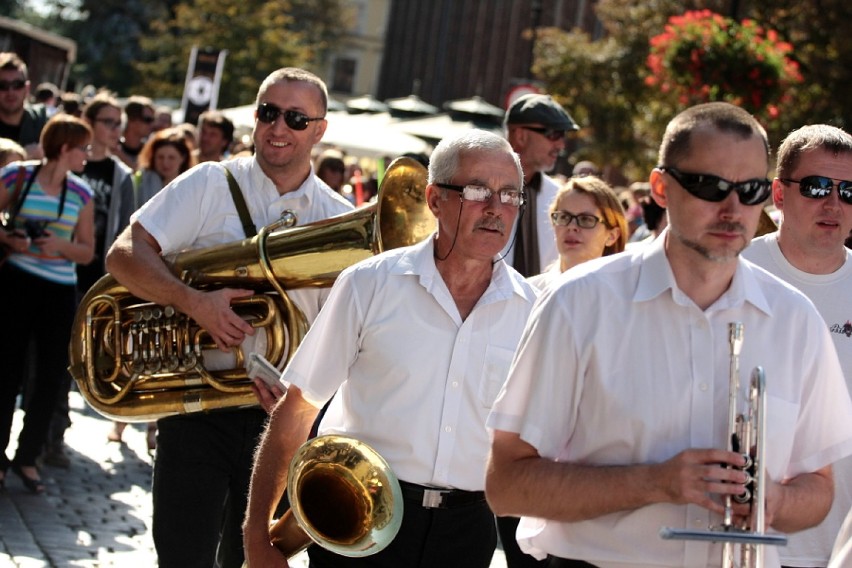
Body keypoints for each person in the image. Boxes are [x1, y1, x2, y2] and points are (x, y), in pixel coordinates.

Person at [485, 102, 852, 568]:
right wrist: (655, 483)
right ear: (660, 187)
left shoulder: (796, 318)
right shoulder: (579, 303)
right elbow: (505, 485)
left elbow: (819, 487)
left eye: (749, 189)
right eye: (709, 186)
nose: (732, 208)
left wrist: (770, 501)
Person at [243, 129, 538, 568]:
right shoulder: (369, 284)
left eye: (510, 195)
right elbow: (298, 408)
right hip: (355, 516)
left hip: (468, 531)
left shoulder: (532, 310)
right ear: (435, 199)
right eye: (478, 190)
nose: (496, 208)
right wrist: (256, 536)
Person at [105, 67, 353, 568]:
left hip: (281, 423)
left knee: (252, 560)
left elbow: (351, 334)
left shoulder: (342, 218)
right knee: (182, 555)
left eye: (295, 118)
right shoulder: (209, 183)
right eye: (268, 112)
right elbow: (124, 254)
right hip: (197, 407)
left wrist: (311, 395)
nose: (277, 128)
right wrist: (193, 301)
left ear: (320, 130)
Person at [742, 124, 852, 568]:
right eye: (817, 186)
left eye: (848, 191)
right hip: (742, 542)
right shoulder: (731, 273)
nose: (834, 203)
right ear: (779, 194)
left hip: (842, 544)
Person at [0, 114, 95, 493]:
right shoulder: (17, 176)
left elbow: (87, 251)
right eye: (82, 149)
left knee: (50, 377)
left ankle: (29, 456)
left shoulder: (81, 193)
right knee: (6, 369)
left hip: (58, 289)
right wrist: (10, 238)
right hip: (16, 281)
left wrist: (59, 246)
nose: (86, 156)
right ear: (64, 148)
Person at [503, 93, 580, 277]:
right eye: (553, 134)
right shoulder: (480, 190)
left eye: (563, 136)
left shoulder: (560, 197)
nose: (561, 145)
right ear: (520, 136)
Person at [527, 175, 628, 291]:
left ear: (612, 236)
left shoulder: (624, 298)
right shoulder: (529, 294)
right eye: (564, 217)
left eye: (585, 219)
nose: (571, 226)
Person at [0, 52, 48, 159]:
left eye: (17, 85)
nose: (10, 92)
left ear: (27, 88)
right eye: (3, 86)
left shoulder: (42, 124)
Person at [115, 95, 155, 170]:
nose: (152, 124)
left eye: (153, 120)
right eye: (148, 119)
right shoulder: (110, 147)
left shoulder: (151, 152)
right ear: (131, 119)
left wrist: (120, 155)